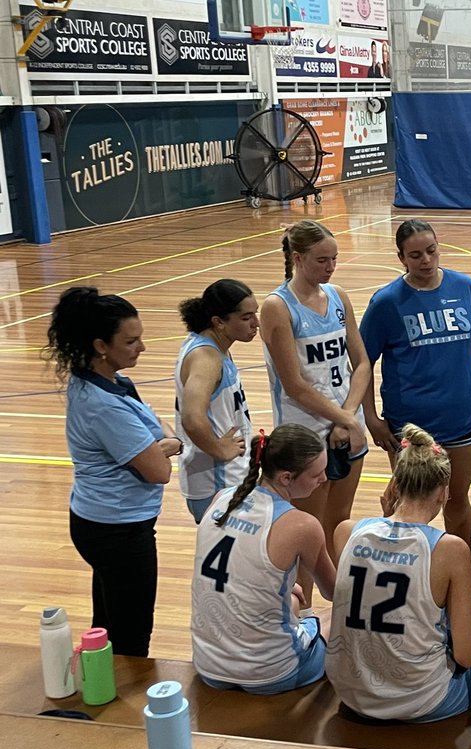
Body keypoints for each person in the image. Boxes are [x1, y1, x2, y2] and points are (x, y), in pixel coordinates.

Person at [360, 219, 471, 608]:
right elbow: (363, 361)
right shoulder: (386, 302)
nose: (425, 260)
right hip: (408, 425)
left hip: (462, 418)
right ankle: (403, 574)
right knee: (408, 502)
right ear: (401, 257)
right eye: (415, 254)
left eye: (431, 250)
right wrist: (370, 416)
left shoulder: (465, 288)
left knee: (457, 499)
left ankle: (462, 578)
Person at [45, 287, 182, 657]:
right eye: (131, 341)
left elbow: (157, 432)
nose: (142, 348)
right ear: (101, 346)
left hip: (101, 521)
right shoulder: (103, 405)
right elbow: (158, 470)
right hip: (116, 531)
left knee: (107, 622)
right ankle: (123, 709)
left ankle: (100, 686)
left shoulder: (110, 382)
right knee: (131, 634)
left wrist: (160, 445)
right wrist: (164, 447)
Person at [327, 424, 471, 723]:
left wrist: (386, 517)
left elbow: (382, 568)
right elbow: (466, 654)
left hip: (351, 693)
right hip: (420, 700)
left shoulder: (346, 532)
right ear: (444, 493)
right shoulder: (449, 549)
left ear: (395, 486)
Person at [261, 220, 370, 604]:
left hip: (346, 428)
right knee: (308, 534)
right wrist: (343, 418)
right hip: (305, 436)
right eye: (322, 260)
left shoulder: (338, 295)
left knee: (338, 526)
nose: (331, 267)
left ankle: (342, 615)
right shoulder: (277, 307)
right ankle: (302, 617)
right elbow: (294, 384)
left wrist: (350, 414)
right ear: (297, 258)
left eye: (335, 258)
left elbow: (361, 362)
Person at [191, 425, 336, 694]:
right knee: (338, 617)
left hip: (208, 665)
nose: (324, 478)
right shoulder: (302, 525)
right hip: (271, 673)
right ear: (286, 478)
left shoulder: (222, 497)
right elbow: (335, 592)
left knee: (292, 601)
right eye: (316, 474)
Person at [174, 279, 257, 523]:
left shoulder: (213, 347)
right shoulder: (205, 357)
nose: (256, 323)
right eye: (246, 318)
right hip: (216, 483)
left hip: (226, 479)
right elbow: (192, 417)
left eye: (255, 314)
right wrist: (219, 449)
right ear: (219, 321)